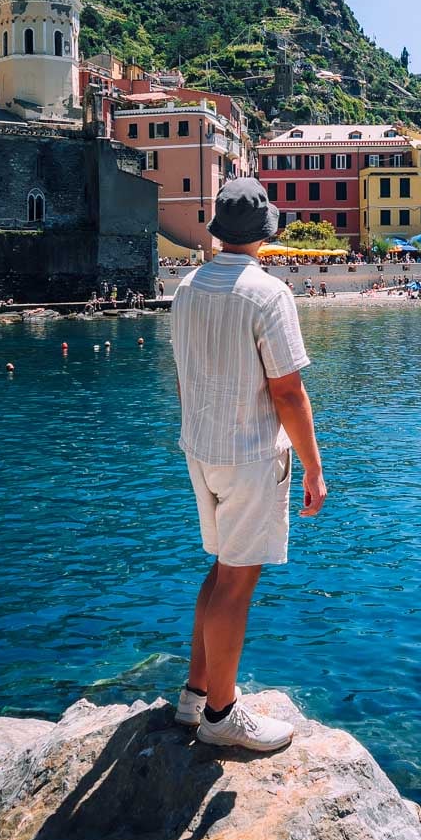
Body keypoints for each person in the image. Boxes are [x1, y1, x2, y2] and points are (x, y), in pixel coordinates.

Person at [170, 178, 326, 753]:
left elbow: (184, 375)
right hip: (251, 454)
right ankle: (221, 716)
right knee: (237, 581)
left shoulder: (186, 288)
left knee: (219, 570)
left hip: (201, 450)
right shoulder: (267, 294)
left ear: (216, 230)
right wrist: (313, 466)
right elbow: (288, 392)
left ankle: (194, 695)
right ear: (265, 233)